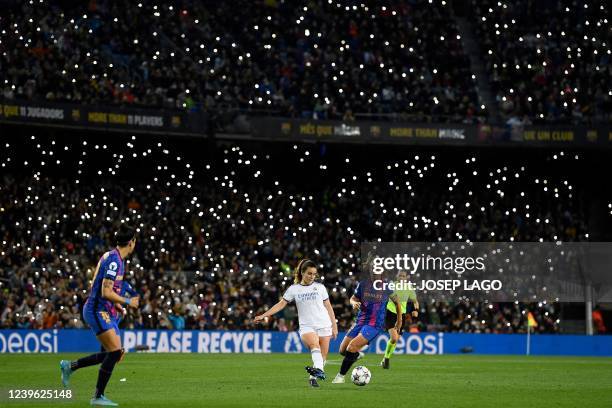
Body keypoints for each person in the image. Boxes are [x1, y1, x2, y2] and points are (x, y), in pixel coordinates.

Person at [59, 224, 139, 406]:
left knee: (111, 355)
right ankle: (97, 396)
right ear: (132, 242)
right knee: (115, 352)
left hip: (104, 309)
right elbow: (105, 291)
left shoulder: (112, 257)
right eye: (135, 240)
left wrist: (116, 305)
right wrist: (127, 302)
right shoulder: (115, 262)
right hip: (96, 310)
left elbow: (100, 285)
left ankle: (69, 366)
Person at [254, 259, 338, 387]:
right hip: (307, 326)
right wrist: (264, 315)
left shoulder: (320, 288)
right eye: (309, 273)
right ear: (302, 273)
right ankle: (320, 371)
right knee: (314, 345)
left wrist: (334, 325)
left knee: (323, 356)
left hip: (324, 324)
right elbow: (281, 304)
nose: (312, 276)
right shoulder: (294, 289)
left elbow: (329, 307)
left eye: (314, 274)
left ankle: (313, 378)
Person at [332, 265, 402, 384]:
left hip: (374, 325)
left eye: (377, 271)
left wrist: (399, 320)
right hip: (360, 321)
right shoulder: (363, 284)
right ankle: (357, 355)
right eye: (372, 271)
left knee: (351, 347)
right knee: (343, 350)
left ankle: (340, 376)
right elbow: (353, 298)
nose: (374, 274)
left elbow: (397, 303)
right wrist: (354, 303)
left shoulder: (386, 286)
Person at [381, 270, 419, 369]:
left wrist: (416, 310)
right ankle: (387, 360)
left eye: (403, 276)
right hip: (390, 313)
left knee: (395, 340)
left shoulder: (409, 288)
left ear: (407, 278)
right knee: (393, 338)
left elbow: (415, 301)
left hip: (401, 315)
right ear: (397, 277)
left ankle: (385, 358)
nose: (402, 277)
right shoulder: (392, 285)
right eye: (400, 276)